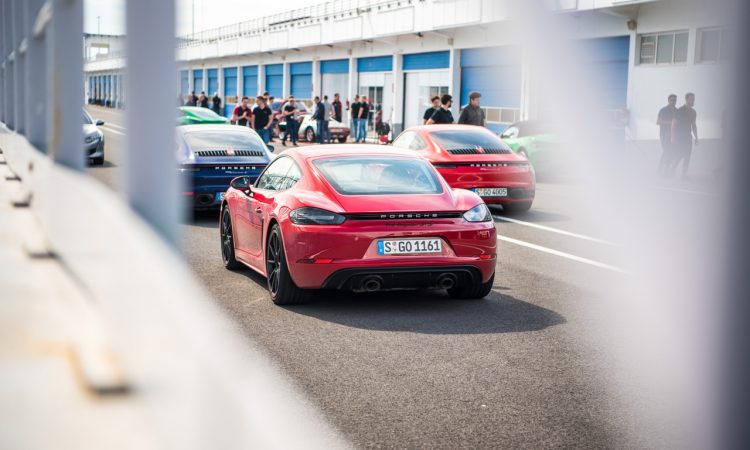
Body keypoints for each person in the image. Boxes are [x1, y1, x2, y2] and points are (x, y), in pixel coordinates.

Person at [671, 92, 699, 180]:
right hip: (680, 137)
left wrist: (696, 138)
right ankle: (672, 169)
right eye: (692, 99)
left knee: (687, 156)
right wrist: (673, 137)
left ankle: (684, 174)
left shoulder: (693, 112)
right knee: (680, 154)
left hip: (688, 137)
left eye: (694, 99)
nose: (693, 101)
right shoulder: (679, 110)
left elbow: (693, 125)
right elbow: (673, 124)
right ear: (687, 99)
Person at [656, 94, 678, 175]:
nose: (673, 101)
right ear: (668, 100)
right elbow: (658, 122)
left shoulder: (677, 111)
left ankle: (666, 170)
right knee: (666, 151)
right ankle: (660, 169)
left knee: (671, 152)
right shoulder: (663, 110)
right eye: (672, 100)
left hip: (674, 135)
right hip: (664, 135)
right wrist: (670, 123)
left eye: (675, 100)